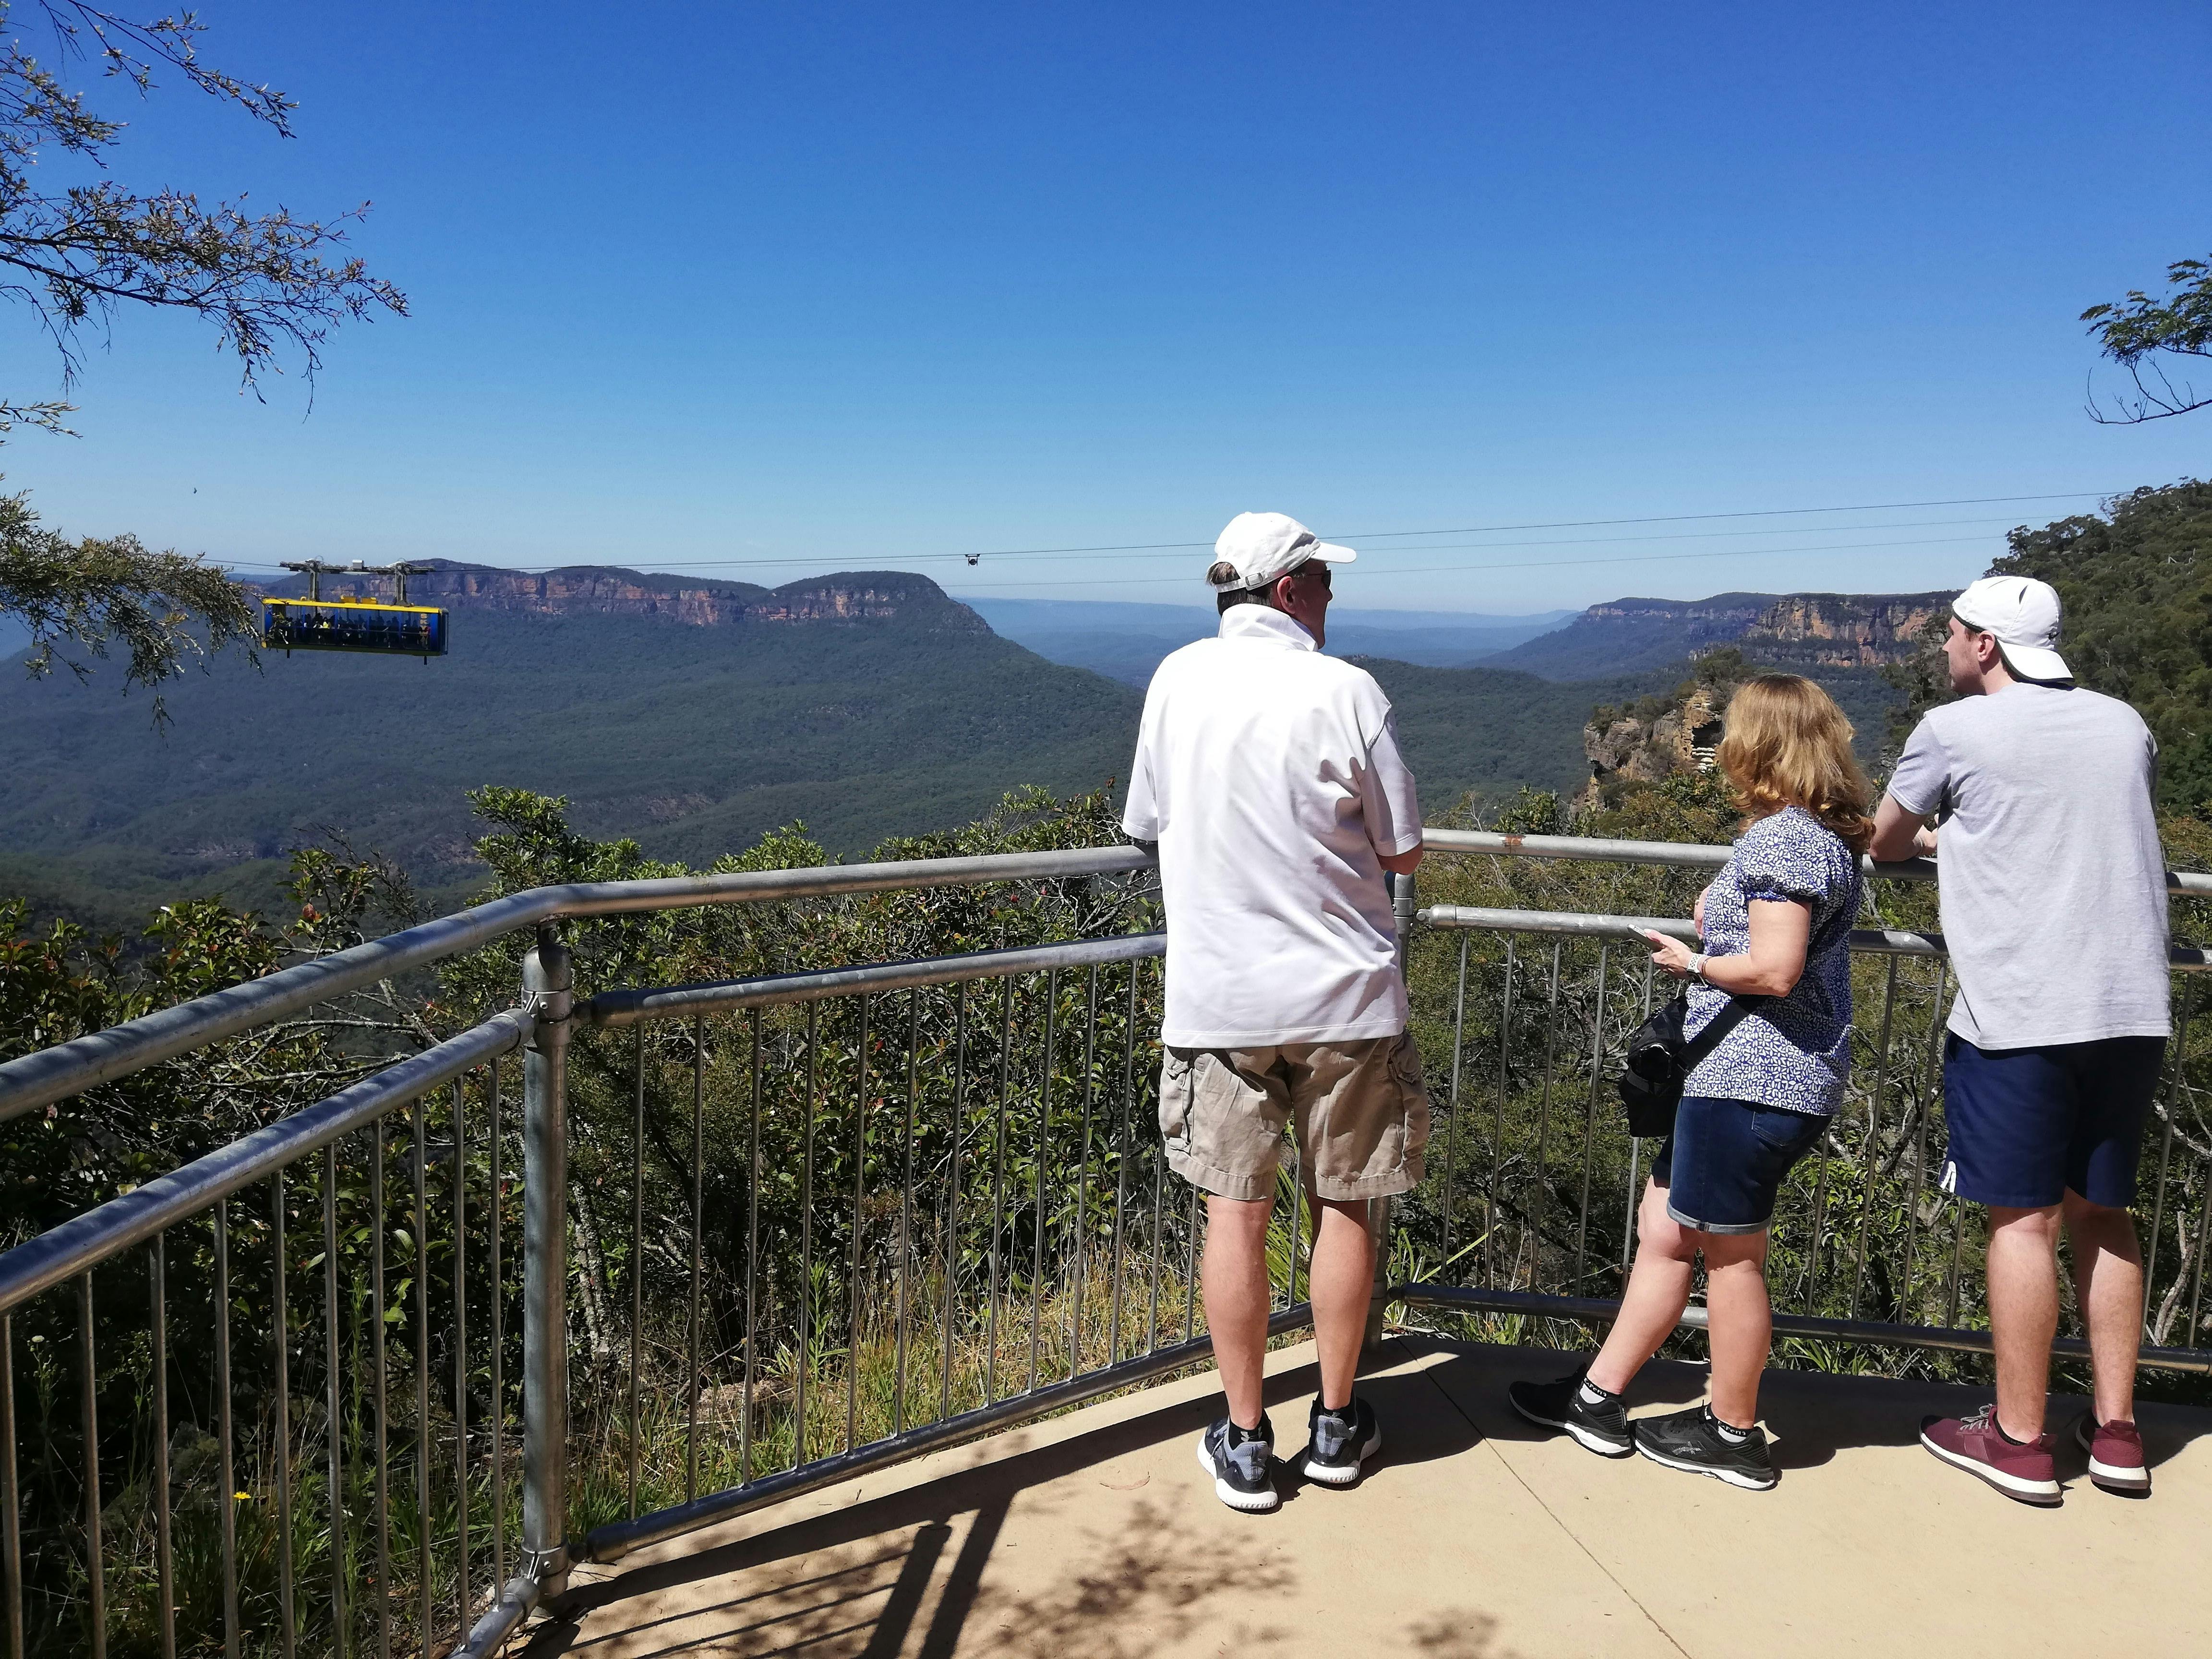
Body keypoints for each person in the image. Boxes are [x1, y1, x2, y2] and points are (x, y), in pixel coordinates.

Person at [1122, 509, 1428, 1513]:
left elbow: (1145, 822)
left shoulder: (1175, 680)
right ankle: (1336, 1424)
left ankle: (1247, 1440)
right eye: (1325, 581)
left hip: (1221, 1004)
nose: (1333, 598)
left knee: (1235, 1214)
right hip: (1346, 1000)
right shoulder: (1348, 691)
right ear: (1290, 590)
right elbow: (1402, 847)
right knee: (1345, 1205)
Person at [1510, 674, 1871, 1491]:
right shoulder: (1819, 835)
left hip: (1752, 1078)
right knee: (1666, 1232)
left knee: (1733, 1259)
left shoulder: (1786, 841)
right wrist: (1725, 897)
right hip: (1756, 1074)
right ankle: (1597, 1397)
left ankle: (1733, 1434)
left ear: (1760, 744)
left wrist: (1694, 961)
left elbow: (1775, 969)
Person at [1871, 575, 2169, 1504]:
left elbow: (1886, 842)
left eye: (1953, 633)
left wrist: (1943, 841)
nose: (1944, 647)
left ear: (1986, 645)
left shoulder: (1953, 729)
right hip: (2132, 1004)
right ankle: (2117, 1433)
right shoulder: (2124, 723)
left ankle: (2020, 1438)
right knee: (2104, 1215)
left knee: (2025, 1222)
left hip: (2022, 1010)